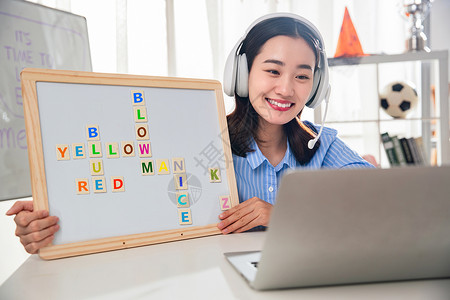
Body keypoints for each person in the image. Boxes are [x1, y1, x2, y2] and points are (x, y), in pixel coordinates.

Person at [6, 13, 373, 254]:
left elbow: (377, 205)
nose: (286, 89)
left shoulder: (322, 145)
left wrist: (282, 215)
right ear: (242, 74)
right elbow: (135, 210)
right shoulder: (203, 144)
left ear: (317, 85)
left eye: (303, 76)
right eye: (273, 71)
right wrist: (55, 223)